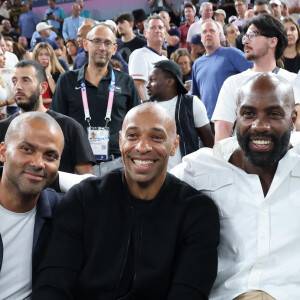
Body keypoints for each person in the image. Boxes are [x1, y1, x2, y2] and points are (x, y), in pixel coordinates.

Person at [32, 102, 220, 299]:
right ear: (121, 141)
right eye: (132, 136)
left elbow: (189, 292)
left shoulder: (196, 211)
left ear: (174, 145)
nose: (142, 147)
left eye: (156, 137)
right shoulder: (83, 200)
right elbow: (53, 282)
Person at [171, 72, 300, 300]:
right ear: (236, 117)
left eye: (273, 114)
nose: (259, 126)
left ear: (293, 118)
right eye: (248, 113)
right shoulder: (201, 168)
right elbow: (142, 192)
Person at [50, 24, 140, 161]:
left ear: (114, 49)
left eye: (108, 43)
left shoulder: (126, 81)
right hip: (77, 162)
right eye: (97, 41)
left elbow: (136, 125)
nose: (102, 48)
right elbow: (56, 124)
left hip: (117, 162)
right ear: (86, 45)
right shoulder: (67, 80)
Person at [0, 111, 64, 299]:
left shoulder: (61, 212)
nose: (38, 163)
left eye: (50, 156)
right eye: (27, 149)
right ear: (3, 152)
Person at [213, 14, 299, 142]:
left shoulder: (293, 81)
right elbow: (222, 133)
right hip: (243, 159)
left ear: (272, 41)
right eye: (245, 37)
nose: (246, 41)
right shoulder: (233, 83)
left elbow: (298, 127)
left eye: (252, 35)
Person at [0, 59, 95, 174]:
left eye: (26, 80)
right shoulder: (3, 128)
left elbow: (87, 179)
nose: (18, 87)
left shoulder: (68, 127)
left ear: (43, 87)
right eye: (14, 81)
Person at [146, 60, 213, 170]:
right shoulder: (144, 108)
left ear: (170, 82)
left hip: (186, 175)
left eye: (153, 80)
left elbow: (209, 143)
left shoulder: (192, 103)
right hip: (153, 175)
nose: (148, 85)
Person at [191, 19, 253, 121]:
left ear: (219, 35)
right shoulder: (197, 64)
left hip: (233, 120)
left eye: (212, 31)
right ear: (201, 38)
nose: (208, 34)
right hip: (208, 122)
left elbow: (256, 73)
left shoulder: (232, 53)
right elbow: (196, 97)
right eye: (204, 32)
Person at [129, 14, 168, 101]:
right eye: (153, 27)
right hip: (150, 111)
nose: (157, 30)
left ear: (164, 33)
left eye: (160, 27)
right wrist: (147, 107)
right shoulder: (139, 54)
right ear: (145, 33)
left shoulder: (166, 60)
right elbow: (137, 86)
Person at [32, 42, 65, 109]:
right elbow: (31, 98)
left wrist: (48, 74)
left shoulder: (58, 73)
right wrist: (49, 100)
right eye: (40, 55)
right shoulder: (31, 74)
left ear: (51, 56)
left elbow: (57, 94)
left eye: (47, 55)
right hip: (36, 110)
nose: (44, 58)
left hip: (55, 110)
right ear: (36, 56)